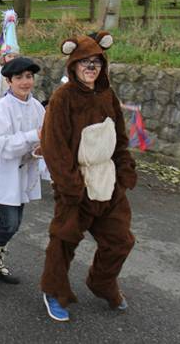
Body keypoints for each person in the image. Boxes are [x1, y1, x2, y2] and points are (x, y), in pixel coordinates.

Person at [39, 31, 137, 322]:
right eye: (85, 62)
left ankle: (102, 282)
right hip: (76, 183)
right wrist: (70, 186)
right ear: (74, 65)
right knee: (63, 240)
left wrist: (124, 168)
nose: (91, 68)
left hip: (108, 180)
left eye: (96, 62)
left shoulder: (107, 94)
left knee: (121, 240)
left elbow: (119, 136)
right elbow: (53, 146)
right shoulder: (62, 99)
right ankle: (54, 291)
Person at [0, 57, 45, 295]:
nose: (25, 82)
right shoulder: (1, 109)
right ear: (8, 81)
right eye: (19, 77)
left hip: (23, 174)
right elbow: (3, 147)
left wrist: (40, 149)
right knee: (8, 222)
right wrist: (33, 137)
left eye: (29, 76)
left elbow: (42, 140)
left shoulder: (38, 107)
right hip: (4, 174)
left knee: (15, 223)